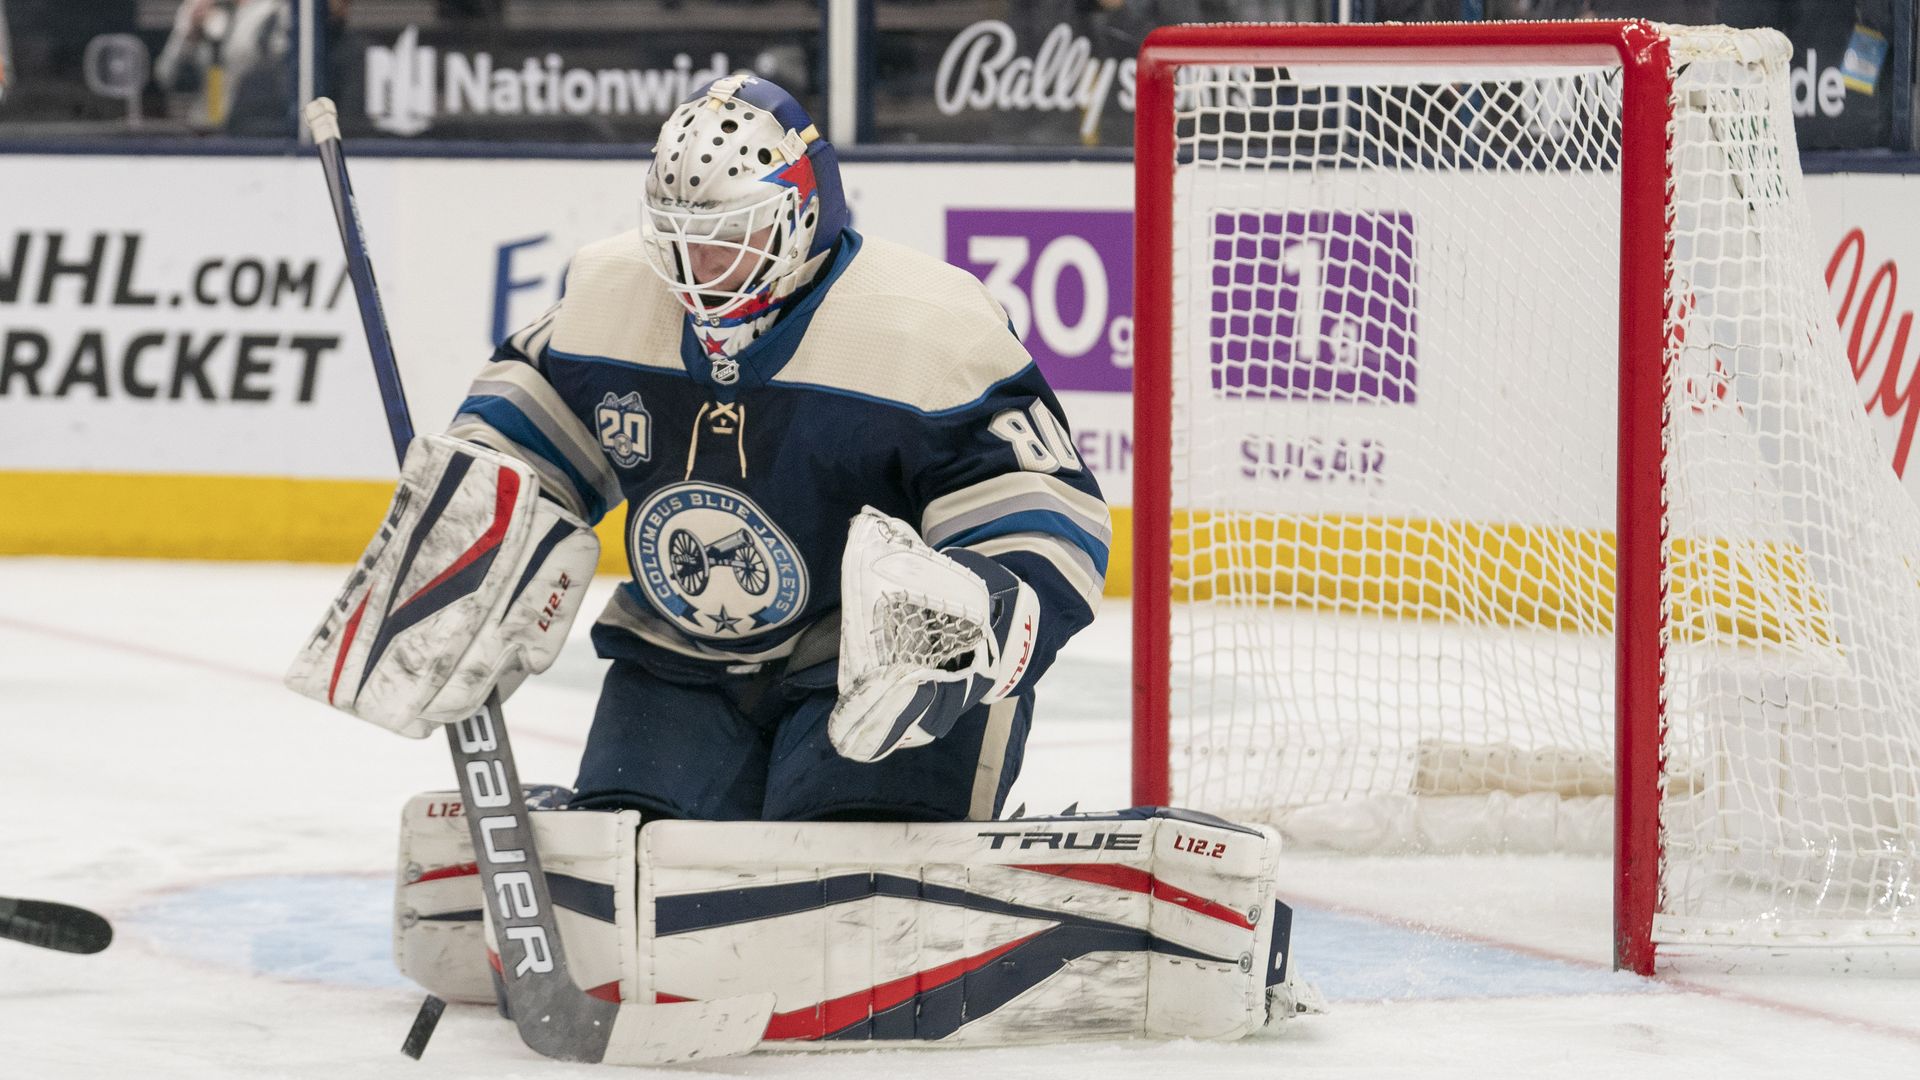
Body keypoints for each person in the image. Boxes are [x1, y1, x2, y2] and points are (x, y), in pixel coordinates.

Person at [294, 74, 1109, 826]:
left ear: (803, 214)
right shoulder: (612, 297)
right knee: (630, 856)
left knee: (847, 875)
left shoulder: (925, 327)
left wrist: (961, 631)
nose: (696, 268)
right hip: (680, 658)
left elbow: (1044, 522)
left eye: (726, 237)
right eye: (678, 238)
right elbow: (523, 443)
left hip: (859, 675)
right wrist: (468, 546)